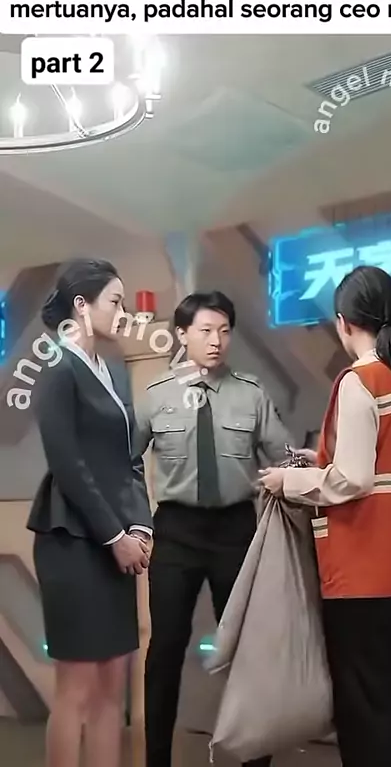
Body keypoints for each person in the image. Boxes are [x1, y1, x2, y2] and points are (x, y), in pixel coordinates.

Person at [260, 265, 391, 767]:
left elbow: (352, 480)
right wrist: (320, 460)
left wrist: (288, 481)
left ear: (343, 322)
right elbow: (384, 464)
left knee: (360, 715)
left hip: (359, 574)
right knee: (388, 708)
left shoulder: (359, 380)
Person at [132, 290, 290, 767]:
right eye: (205, 330)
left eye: (224, 331)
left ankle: (255, 758)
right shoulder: (156, 396)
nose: (216, 340)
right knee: (165, 650)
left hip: (234, 531)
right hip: (176, 530)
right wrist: (135, 525)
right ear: (182, 335)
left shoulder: (251, 394)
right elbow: (126, 465)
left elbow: (285, 459)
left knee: (246, 651)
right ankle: (156, 758)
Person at [27, 258, 153, 767]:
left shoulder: (114, 373)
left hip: (117, 543)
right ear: (81, 305)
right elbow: (69, 465)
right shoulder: (58, 370)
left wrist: (140, 525)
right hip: (73, 541)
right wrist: (115, 537)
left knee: (111, 687)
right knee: (76, 690)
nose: (123, 312)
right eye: (115, 302)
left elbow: (130, 459)